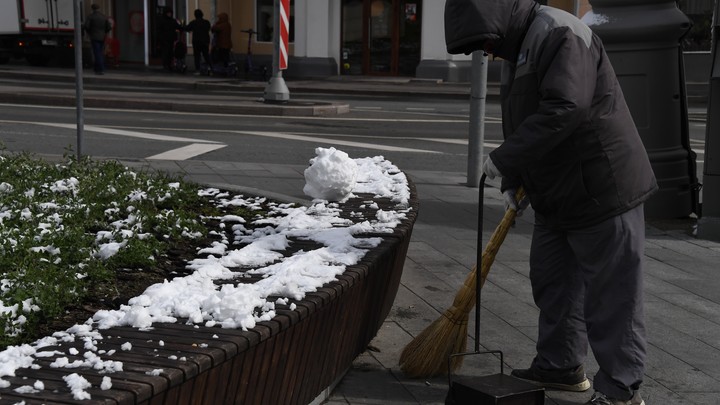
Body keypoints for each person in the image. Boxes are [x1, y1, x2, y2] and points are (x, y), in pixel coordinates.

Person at [444, 1, 657, 405]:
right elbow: (527, 117)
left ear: (497, 22)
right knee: (553, 283)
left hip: (601, 186)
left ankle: (620, 392)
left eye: (485, 42)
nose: (487, 51)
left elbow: (566, 107)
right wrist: (516, 177)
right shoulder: (519, 44)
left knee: (613, 298)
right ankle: (559, 366)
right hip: (558, 193)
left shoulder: (559, 32)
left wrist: (504, 157)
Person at [83, 3, 111, 75]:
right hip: (102, 37)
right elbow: (108, 27)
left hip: (94, 37)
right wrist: (104, 32)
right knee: (100, 52)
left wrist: (89, 33)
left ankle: (100, 69)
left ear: (92, 9)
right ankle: (97, 68)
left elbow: (86, 26)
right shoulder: (103, 17)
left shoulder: (91, 17)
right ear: (99, 9)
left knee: (97, 53)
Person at [184, 9, 212, 75]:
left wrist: (186, 29)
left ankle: (198, 70)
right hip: (205, 41)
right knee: (206, 55)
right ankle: (210, 68)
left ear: (195, 15)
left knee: (197, 56)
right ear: (202, 14)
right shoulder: (206, 22)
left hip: (196, 42)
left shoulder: (194, 22)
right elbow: (209, 28)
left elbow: (187, 28)